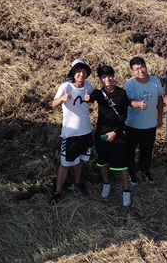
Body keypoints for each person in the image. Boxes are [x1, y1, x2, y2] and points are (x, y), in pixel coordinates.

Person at [50, 58, 94, 205]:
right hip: (70, 133)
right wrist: (62, 98)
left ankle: (77, 183)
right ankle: (57, 192)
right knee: (65, 164)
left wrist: (90, 98)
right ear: (73, 73)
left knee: (80, 159)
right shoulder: (65, 86)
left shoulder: (89, 86)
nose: (81, 74)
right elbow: (53, 104)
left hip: (86, 131)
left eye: (83, 71)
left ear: (87, 73)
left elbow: (94, 99)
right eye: (78, 71)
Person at [90, 65, 133, 207]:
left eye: (109, 76)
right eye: (103, 77)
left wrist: (115, 132)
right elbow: (88, 98)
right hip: (101, 132)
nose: (107, 79)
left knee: (122, 163)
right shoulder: (98, 94)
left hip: (118, 132)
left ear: (113, 76)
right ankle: (106, 183)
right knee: (102, 160)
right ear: (100, 80)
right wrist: (86, 97)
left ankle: (126, 190)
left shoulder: (121, 93)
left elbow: (124, 114)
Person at [123, 56, 164, 185]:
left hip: (150, 123)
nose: (140, 71)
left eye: (142, 67)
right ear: (132, 71)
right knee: (130, 151)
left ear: (146, 66)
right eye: (136, 69)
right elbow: (128, 101)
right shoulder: (130, 84)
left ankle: (146, 171)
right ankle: (131, 174)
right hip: (133, 124)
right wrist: (138, 104)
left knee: (147, 150)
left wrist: (159, 117)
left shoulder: (155, 80)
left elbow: (160, 100)